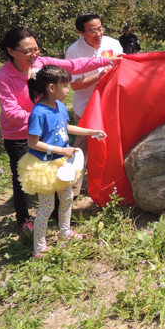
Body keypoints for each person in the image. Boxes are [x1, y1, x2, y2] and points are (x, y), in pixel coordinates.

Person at [0, 27, 121, 232]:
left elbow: (73, 65)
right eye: (27, 51)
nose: (34, 54)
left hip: (47, 131)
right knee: (22, 176)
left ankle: (56, 213)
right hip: (19, 134)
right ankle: (23, 218)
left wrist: (108, 60)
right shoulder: (3, 77)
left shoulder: (41, 64)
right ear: (11, 51)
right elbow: (11, 112)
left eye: (36, 49)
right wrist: (42, 120)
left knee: (53, 170)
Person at [18, 65, 106, 257]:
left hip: (61, 164)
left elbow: (66, 128)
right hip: (44, 166)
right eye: (65, 86)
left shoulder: (59, 107)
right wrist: (60, 150)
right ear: (52, 88)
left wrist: (92, 131)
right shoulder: (39, 112)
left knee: (67, 198)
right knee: (47, 206)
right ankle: (39, 247)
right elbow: (32, 143)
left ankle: (65, 231)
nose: (68, 90)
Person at [65, 13, 124, 197]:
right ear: (81, 32)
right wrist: (98, 77)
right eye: (92, 30)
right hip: (86, 107)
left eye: (100, 28)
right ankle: (70, 194)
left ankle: (110, 186)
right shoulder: (73, 51)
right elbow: (74, 84)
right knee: (81, 149)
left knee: (112, 144)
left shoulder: (113, 44)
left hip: (111, 104)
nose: (98, 33)